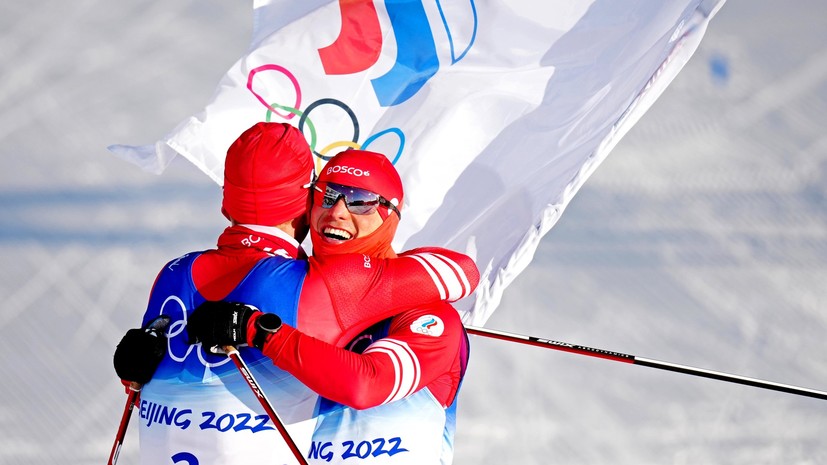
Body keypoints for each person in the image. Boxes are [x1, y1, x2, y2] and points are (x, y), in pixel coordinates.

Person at [113, 121, 478, 465]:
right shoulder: (320, 283)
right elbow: (459, 271)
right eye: (328, 194)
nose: (338, 211)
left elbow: (367, 384)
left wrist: (258, 330)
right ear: (305, 204)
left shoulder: (174, 273)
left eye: (361, 200)